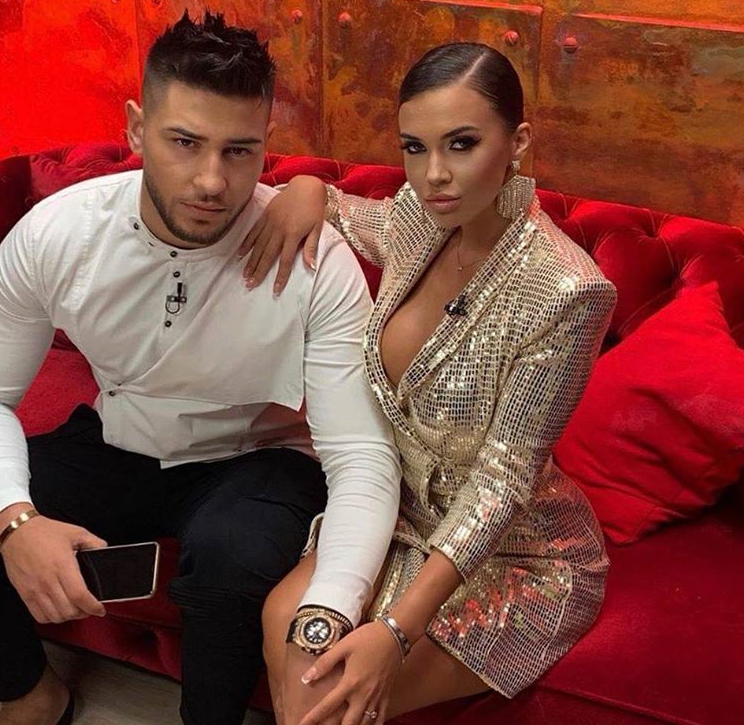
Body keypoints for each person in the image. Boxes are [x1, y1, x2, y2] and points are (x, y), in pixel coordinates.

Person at [0, 11, 401, 725]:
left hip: (256, 456)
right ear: (137, 129)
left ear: (266, 145)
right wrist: (15, 522)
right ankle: (33, 693)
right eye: (184, 142)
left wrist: (329, 608)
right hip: (120, 440)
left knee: (233, 558)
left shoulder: (314, 259)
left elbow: (361, 452)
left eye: (239, 151)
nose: (212, 180)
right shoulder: (59, 232)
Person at [242, 42, 617, 725]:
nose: (434, 174)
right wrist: (305, 189)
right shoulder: (419, 218)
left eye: (462, 144)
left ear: (518, 143)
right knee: (283, 623)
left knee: (322, 694)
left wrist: (395, 631)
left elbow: (504, 480)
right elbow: (340, 208)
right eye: (415, 148)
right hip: (395, 514)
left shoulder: (568, 289)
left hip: (515, 555)